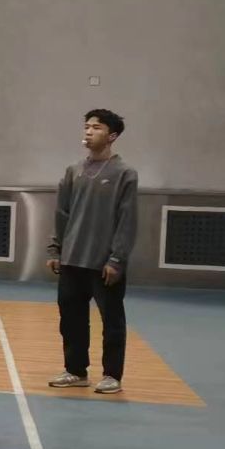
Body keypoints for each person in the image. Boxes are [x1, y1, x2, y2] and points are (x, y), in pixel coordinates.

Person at [47, 109, 138, 396]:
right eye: (87, 126)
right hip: (72, 260)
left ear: (112, 135)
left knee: (112, 321)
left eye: (96, 127)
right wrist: (55, 249)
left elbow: (127, 220)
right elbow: (62, 213)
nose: (88, 131)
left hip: (104, 263)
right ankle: (76, 371)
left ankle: (112, 375)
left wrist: (117, 259)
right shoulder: (73, 171)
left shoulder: (124, 173)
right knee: (71, 319)